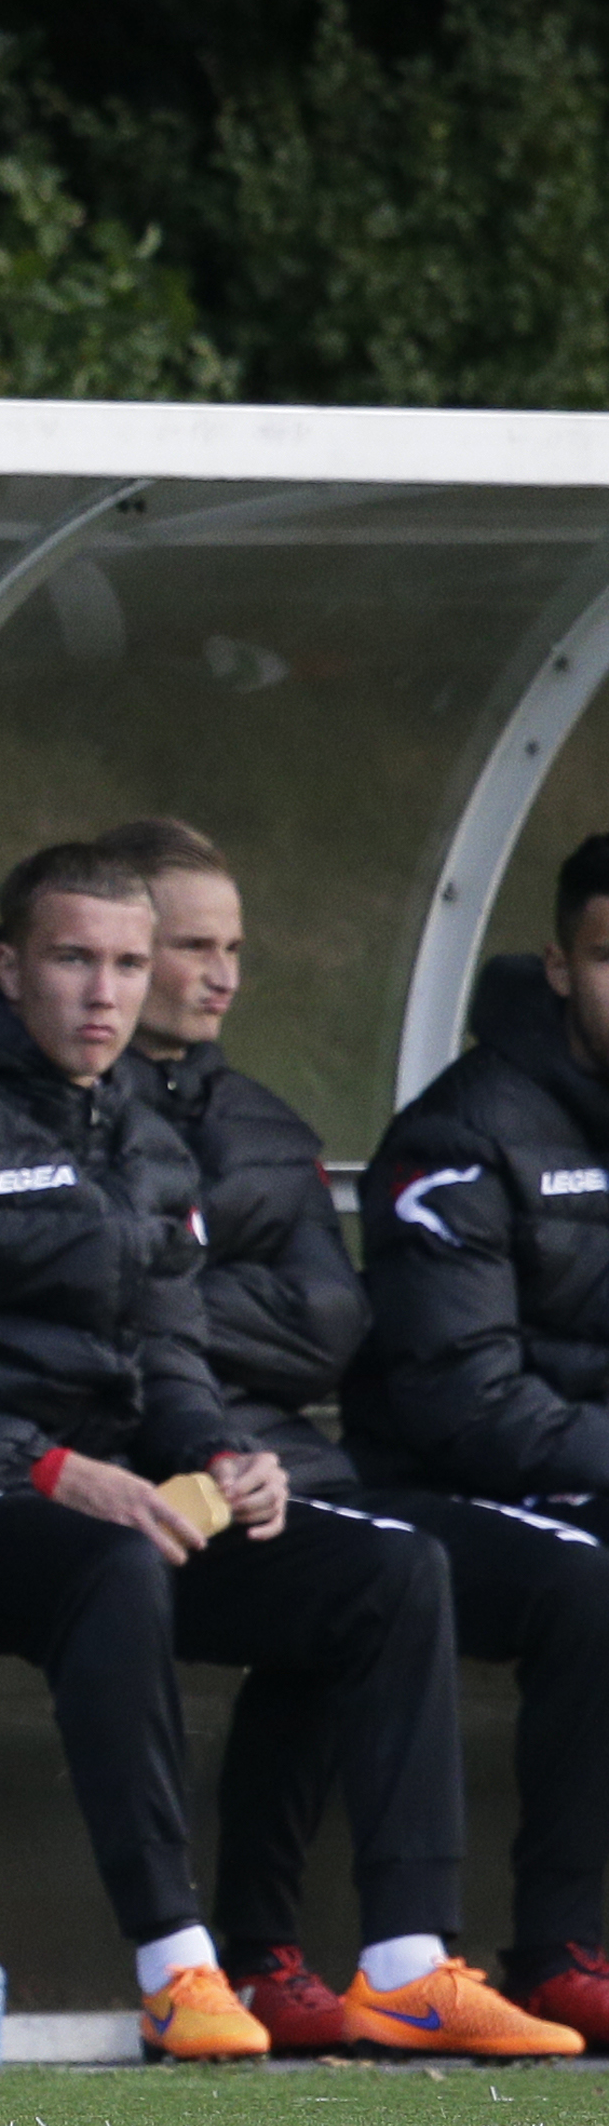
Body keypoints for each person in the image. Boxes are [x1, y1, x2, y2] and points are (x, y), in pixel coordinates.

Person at [0, 842, 570, 2060]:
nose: (106, 992)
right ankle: (176, 1962)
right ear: (7, 965)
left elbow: (168, 1344)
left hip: (98, 1489)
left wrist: (222, 1450)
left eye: (128, 963)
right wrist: (46, 1465)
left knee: (390, 1566)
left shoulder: (137, 1131)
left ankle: (408, 1964)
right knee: (113, 1563)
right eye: (74, 959)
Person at [103, 817, 596, 2055]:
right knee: (419, 1569)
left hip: (291, 1466)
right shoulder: (57, 1122)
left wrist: (172, 1305)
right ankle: (499, 1952)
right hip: (130, 1479)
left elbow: (329, 1321)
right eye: (185, 944)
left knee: (372, 1562)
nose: (218, 972)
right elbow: (85, 1310)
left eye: (233, 946)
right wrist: (170, 1311)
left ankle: (313, 1955)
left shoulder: (260, 1121)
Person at [338, 829, 609, 2045]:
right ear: (559, 965)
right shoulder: (461, 1134)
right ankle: (561, 1948)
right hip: (437, 1491)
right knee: (594, 1581)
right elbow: (467, 1404)